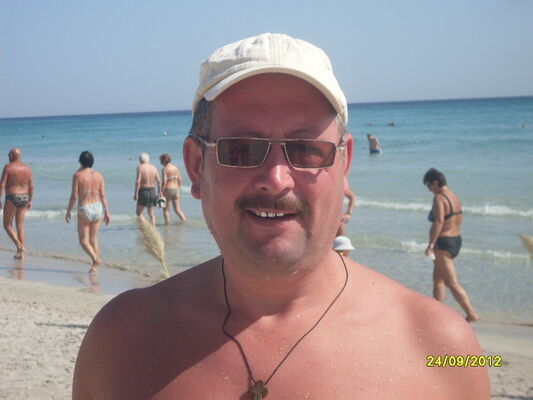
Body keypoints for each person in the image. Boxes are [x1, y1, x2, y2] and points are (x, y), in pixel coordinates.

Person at [73, 33, 489, 399]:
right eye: (241, 149)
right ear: (196, 167)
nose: (275, 180)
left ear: (344, 165)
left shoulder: (444, 349)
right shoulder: (121, 340)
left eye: (307, 149)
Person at [423, 168, 479, 323]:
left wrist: (431, 244)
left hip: (443, 243)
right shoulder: (454, 196)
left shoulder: (439, 198)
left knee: (452, 283)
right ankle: (437, 312)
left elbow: (439, 221)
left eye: (429, 186)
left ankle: (471, 314)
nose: (429, 190)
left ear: (435, 182)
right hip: (455, 240)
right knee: (438, 279)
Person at [66, 151, 110, 274]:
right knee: (93, 239)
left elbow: (74, 196)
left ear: (80, 162)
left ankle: (95, 259)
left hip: (85, 208)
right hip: (98, 207)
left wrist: (69, 209)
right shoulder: (99, 175)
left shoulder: (77, 175)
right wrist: (107, 212)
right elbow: (103, 195)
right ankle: (94, 267)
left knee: (83, 240)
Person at [0, 148, 34, 260]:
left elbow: (2, 185)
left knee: (7, 225)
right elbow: (31, 186)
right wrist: (30, 200)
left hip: (12, 197)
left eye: (9, 154)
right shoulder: (27, 168)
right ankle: (21, 254)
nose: (8, 156)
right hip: (24, 197)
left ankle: (19, 246)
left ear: (13, 156)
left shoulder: (8, 167)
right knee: (20, 226)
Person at [134, 152, 161, 226]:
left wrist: (136, 194)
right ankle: (153, 228)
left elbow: (138, 181)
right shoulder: (154, 167)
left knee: (138, 213)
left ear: (140, 160)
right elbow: (159, 181)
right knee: (151, 213)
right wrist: (159, 192)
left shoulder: (140, 167)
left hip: (143, 191)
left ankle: (145, 228)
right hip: (152, 190)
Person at [159, 153, 186, 224]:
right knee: (177, 210)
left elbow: (164, 181)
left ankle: (167, 226)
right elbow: (180, 179)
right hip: (176, 190)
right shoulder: (176, 168)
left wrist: (161, 191)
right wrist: (178, 188)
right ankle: (184, 222)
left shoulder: (164, 169)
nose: (160, 163)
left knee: (166, 210)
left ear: (163, 161)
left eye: (161, 161)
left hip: (168, 190)